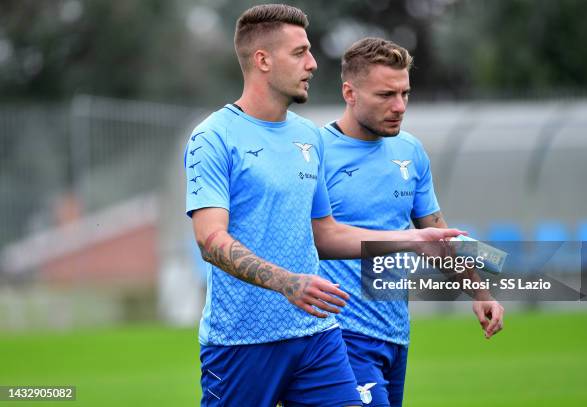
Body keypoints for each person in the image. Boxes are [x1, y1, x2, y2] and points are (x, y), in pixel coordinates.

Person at [184, 5, 465, 406]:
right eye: (299, 53)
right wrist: (288, 282)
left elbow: (326, 233)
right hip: (241, 342)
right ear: (262, 60)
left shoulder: (307, 137)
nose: (313, 64)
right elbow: (210, 240)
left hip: (317, 335)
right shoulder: (212, 137)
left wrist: (411, 240)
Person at [319, 37, 505, 406]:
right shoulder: (316, 153)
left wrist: (480, 292)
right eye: (386, 95)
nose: (399, 106)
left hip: (394, 335)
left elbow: (436, 232)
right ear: (349, 92)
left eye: (405, 93)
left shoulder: (410, 151)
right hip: (339, 335)